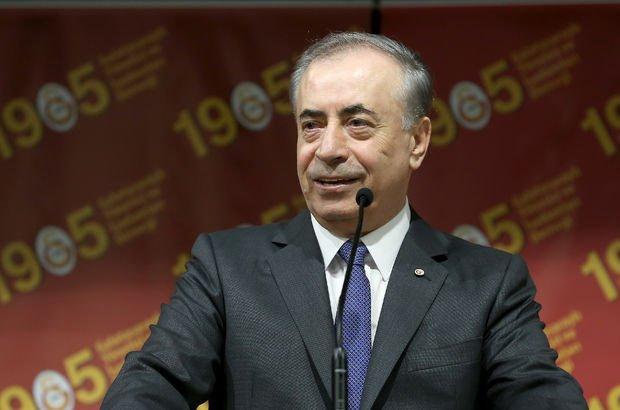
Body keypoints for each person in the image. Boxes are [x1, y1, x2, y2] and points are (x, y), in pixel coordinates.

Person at [102, 32, 587, 409]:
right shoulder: (226, 269)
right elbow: (151, 384)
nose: (328, 149)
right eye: (311, 125)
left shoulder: (488, 284)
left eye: (357, 123)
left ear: (417, 140)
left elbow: (541, 398)